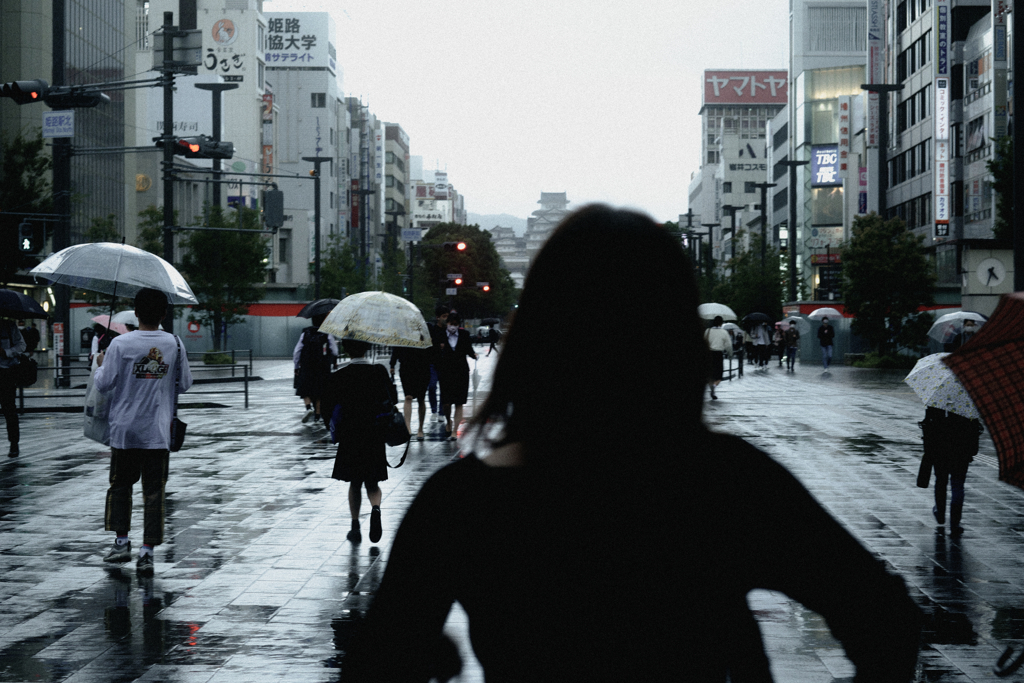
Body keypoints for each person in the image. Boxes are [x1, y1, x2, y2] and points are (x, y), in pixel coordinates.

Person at [340, 205, 922, 682]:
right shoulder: (728, 483)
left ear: (540, 340)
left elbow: (380, 659)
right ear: (672, 342)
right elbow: (883, 618)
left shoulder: (463, 503)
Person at [94, 288, 193, 576]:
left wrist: (100, 364)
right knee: (154, 491)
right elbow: (184, 384)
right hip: (157, 432)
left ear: (136, 312)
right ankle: (147, 552)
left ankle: (121, 542)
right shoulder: (174, 343)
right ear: (163, 314)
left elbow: (103, 384)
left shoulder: (120, 344)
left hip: (124, 431)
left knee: (120, 486)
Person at [323, 338, 398, 544]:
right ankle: (375, 510)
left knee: (355, 483)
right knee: (372, 482)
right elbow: (393, 399)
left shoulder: (339, 376)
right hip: (374, 434)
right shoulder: (379, 372)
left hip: (350, 436)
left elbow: (328, 408)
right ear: (367, 348)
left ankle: (355, 526)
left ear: (346, 350)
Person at [919, 406, 983, 535]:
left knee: (941, 481)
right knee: (958, 485)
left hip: (939, 451)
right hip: (961, 453)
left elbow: (927, 426)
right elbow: (975, 429)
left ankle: (940, 513)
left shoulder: (936, 404)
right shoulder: (967, 406)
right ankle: (955, 523)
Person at [436, 310, 477, 440]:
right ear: (447, 323)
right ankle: (449, 421)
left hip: (461, 372)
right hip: (445, 372)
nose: (452, 326)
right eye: (450, 323)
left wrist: (474, 355)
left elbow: (469, 350)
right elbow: (434, 352)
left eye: (455, 324)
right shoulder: (441, 335)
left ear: (458, 324)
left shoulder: (464, 334)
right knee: (446, 403)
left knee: (459, 402)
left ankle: (455, 431)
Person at [293, 313, 338, 425]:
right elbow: (334, 350)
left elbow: (297, 351)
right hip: (322, 367)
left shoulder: (305, 333)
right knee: (320, 391)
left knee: (304, 389)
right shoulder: (327, 333)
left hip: (307, 366)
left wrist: (296, 366)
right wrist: (333, 361)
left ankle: (308, 408)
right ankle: (318, 416)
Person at [390, 341, 431, 441]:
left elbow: (431, 350)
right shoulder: (403, 333)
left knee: (421, 398)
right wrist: (392, 364)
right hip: (406, 368)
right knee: (408, 396)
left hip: (422, 368)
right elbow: (396, 348)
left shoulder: (424, 331)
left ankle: (420, 428)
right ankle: (408, 429)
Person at [0, 318, 26, 458]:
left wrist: (6, 352)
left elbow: (22, 346)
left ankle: (14, 443)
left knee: (9, 409)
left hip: (6, 372)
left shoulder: (9, 326)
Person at [426, 304, 448, 426]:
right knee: (432, 386)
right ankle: (434, 410)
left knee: (444, 389)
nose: (446, 319)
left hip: (445, 364)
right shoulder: (432, 330)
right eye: (444, 316)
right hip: (433, 363)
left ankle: (441, 412)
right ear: (438, 317)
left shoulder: (449, 331)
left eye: (447, 316)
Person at [703, 315, 732, 400]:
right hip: (718, 354)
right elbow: (729, 345)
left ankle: (711, 386)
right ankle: (714, 386)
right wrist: (730, 354)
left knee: (710, 374)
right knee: (719, 375)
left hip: (709, 354)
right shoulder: (724, 332)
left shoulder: (707, 331)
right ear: (721, 323)